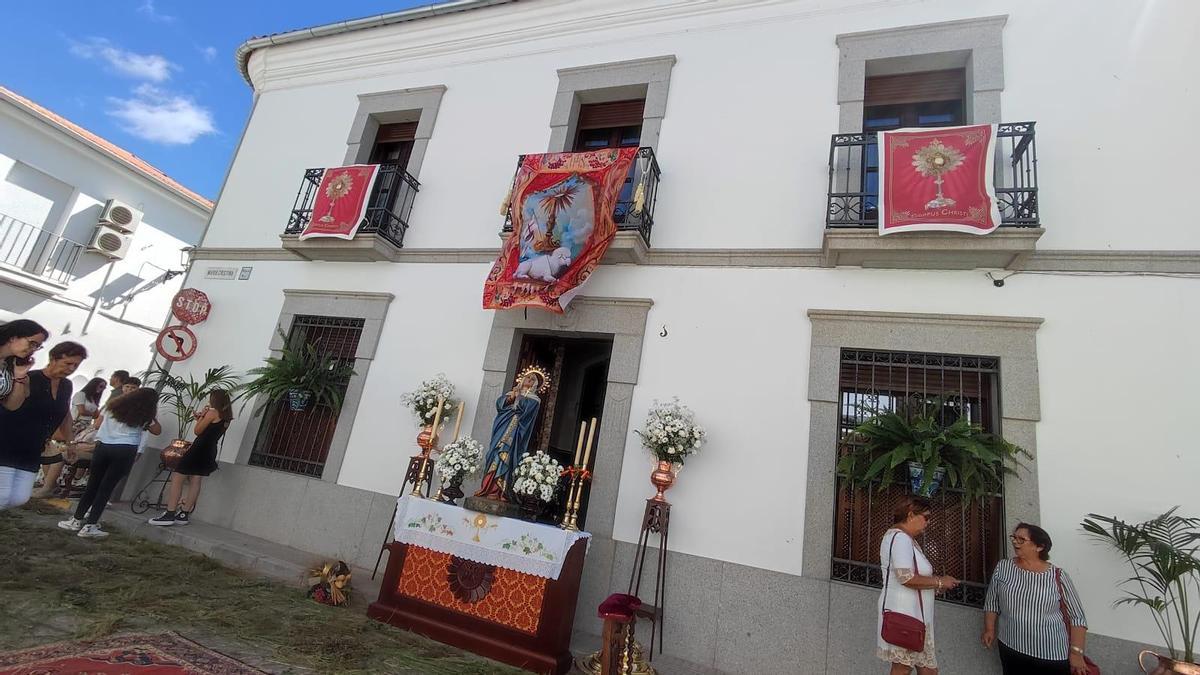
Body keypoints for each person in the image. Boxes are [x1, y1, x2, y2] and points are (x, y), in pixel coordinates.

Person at [982, 524, 1090, 675]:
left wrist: (1076, 653)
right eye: (1014, 538)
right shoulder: (1003, 567)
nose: (1015, 542)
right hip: (1011, 646)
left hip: (1050, 654)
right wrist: (989, 629)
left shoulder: (1057, 576)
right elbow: (992, 601)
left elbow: (1077, 617)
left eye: (1021, 539)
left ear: (1039, 547)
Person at [59, 387, 160, 538]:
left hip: (103, 447)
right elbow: (157, 430)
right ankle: (90, 525)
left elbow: (98, 424)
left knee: (92, 486)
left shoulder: (113, 406)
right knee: (105, 489)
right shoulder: (145, 413)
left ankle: (76, 519)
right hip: (125, 449)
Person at [877, 496, 960, 675]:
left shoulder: (906, 539)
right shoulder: (900, 538)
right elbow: (905, 577)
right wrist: (939, 581)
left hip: (917, 615)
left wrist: (937, 585)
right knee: (902, 667)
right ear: (911, 515)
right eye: (926, 517)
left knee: (928, 670)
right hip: (905, 614)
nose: (928, 522)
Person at [0, 340, 85, 509]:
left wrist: (71, 442)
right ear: (53, 358)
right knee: (2, 496)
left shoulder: (66, 386)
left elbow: (65, 413)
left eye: (76, 365)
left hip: (34, 449)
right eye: (68, 363)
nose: (71, 369)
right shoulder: (30, 378)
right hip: (8, 444)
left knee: (19, 498)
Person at [149, 389, 233, 526]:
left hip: (198, 448)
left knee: (177, 477)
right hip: (210, 449)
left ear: (215, 399)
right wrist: (201, 419)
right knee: (196, 479)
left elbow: (198, 431)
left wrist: (201, 418)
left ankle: (170, 513)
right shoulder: (227, 417)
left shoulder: (212, 412)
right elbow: (210, 430)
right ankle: (184, 513)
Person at [473, 368, 546, 501]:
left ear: (535, 384)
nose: (528, 380)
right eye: (527, 377)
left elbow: (526, 412)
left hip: (515, 432)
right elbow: (500, 405)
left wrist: (518, 398)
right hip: (502, 429)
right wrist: (511, 397)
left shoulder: (534, 400)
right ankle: (486, 487)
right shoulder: (511, 393)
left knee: (506, 456)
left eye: (532, 379)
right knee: (494, 453)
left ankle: (500, 490)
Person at [0, 319, 49, 411]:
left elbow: (12, 406)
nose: (33, 349)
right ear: (13, 337)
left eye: (37, 346)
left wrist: (19, 376)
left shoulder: (11, 366)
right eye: (32, 343)